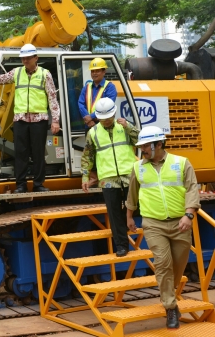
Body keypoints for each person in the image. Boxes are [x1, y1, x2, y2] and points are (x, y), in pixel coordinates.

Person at [125, 126, 200, 329]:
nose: (142, 151)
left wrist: (188, 215)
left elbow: (193, 189)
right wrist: (129, 215)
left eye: (145, 146)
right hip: (153, 223)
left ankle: (169, 292)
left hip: (180, 223)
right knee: (163, 263)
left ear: (158, 144)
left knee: (177, 266)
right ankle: (170, 307)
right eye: (140, 147)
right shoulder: (138, 167)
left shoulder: (181, 163)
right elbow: (132, 193)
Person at [0, 43, 60, 193]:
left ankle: (38, 184)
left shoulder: (45, 74)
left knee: (38, 153)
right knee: (21, 153)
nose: (25, 61)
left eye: (28, 58)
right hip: (20, 120)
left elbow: (53, 98)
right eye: (23, 58)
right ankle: (21, 185)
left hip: (39, 120)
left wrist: (56, 120)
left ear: (36, 58)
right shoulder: (16, 73)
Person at [81, 97, 139, 257]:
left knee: (136, 207)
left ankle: (139, 233)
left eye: (108, 118)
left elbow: (141, 141)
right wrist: (85, 176)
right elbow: (88, 156)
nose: (106, 121)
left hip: (129, 175)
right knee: (114, 214)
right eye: (102, 119)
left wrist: (129, 127)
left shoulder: (124, 127)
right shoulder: (93, 133)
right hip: (108, 179)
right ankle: (121, 246)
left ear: (114, 114)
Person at [78, 58, 117, 130]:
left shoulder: (110, 87)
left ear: (104, 71)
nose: (94, 73)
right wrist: (88, 120)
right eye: (92, 71)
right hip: (89, 125)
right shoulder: (86, 87)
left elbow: (107, 106)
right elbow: (81, 104)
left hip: (104, 125)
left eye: (97, 71)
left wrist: (91, 117)